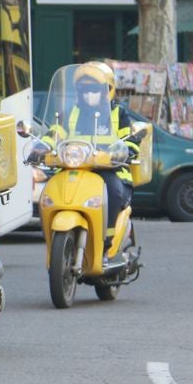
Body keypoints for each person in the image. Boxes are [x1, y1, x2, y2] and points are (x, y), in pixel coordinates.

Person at [37, 61, 140, 252]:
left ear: (107, 90)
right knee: (49, 193)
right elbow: (55, 133)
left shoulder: (118, 113)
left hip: (110, 170)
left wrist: (127, 151)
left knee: (114, 192)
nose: (88, 94)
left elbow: (130, 138)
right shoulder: (71, 113)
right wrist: (41, 146)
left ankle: (107, 240)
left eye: (94, 89)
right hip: (74, 167)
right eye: (83, 89)